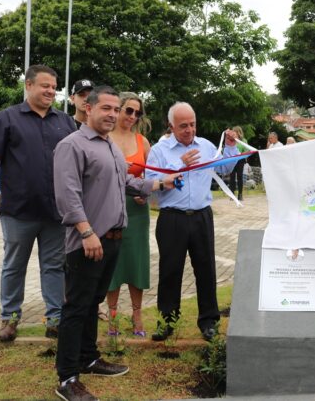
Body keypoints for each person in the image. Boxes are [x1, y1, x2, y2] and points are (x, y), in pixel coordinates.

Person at [53, 85, 179, 401]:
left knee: (92, 303)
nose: (112, 114)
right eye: (106, 108)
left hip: (112, 239)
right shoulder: (72, 145)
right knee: (76, 308)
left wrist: (158, 183)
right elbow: (67, 196)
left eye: (115, 108)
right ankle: (67, 378)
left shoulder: (109, 146)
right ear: (89, 109)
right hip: (87, 242)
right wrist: (85, 232)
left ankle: (89, 358)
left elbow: (126, 182)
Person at [0, 64, 77, 341]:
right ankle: (9, 318)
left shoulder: (65, 122)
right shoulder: (6, 119)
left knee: (55, 265)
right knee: (14, 264)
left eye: (54, 87)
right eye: (45, 85)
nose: (50, 91)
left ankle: (55, 317)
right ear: (28, 85)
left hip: (56, 211)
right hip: (18, 211)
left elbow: (74, 164)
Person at [145, 102, 239, 341]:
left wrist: (230, 147)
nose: (189, 130)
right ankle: (167, 322)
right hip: (171, 218)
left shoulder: (206, 146)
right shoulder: (160, 150)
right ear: (171, 126)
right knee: (170, 271)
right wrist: (180, 165)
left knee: (206, 269)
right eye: (183, 126)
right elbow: (151, 185)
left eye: (192, 124)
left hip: (201, 216)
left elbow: (226, 168)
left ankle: (208, 321)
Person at [105, 92, 152, 337]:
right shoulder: (104, 138)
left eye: (137, 112)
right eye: (128, 110)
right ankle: (112, 315)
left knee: (136, 262)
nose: (132, 116)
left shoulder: (142, 142)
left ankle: (137, 314)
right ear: (117, 110)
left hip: (136, 210)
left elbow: (150, 178)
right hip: (109, 208)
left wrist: (145, 193)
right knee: (112, 262)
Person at [228, 126, 248, 201]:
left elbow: (246, 150)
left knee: (240, 177)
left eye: (235, 132)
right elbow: (228, 149)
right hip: (232, 160)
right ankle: (232, 194)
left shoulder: (244, 140)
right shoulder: (231, 140)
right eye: (233, 132)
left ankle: (240, 194)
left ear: (239, 132)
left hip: (240, 161)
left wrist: (241, 154)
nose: (233, 133)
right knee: (232, 177)